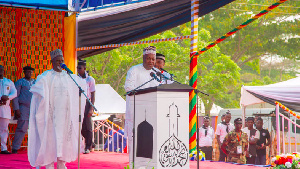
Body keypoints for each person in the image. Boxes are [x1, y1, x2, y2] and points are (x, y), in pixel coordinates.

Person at [28, 49, 87, 168]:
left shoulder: (69, 77)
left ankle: (61, 164)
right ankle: (49, 164)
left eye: (62, 60)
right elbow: (36, 88)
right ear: (52, 62)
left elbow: (81, 84)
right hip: (51, 117)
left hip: (65, 117)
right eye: (58, 61)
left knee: (64, 140)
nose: (60, 63)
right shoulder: (46, 76)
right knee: (50, 139)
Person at [124, 46, 160, 166]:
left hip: (151, 112)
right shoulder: (134, 70)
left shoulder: (156, 73)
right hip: (136, 111)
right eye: (148, 58)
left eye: (153, 59)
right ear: (143, 58)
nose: (151, 61)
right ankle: (135, 165)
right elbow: (129, 88)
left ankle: (150, 165)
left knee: (151, 139)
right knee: (136, 140)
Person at [11, 66, 35, 154]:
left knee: (35, 128)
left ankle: (34, 149)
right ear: (24, 72)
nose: (29, 73)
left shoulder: (35, 82)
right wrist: (16, 109)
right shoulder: (19, 82)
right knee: (22, 128)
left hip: (34, 108)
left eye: (31, 72)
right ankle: (15, 148)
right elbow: (15, 96)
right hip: (23, 107)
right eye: (27, 72)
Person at [77, 59, 96, 154]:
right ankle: (91, 142)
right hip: (78, 102)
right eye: (77, 68)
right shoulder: (76, 79)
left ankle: (88, 146)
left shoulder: (90, 79)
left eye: (79, 68)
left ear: (84, 68)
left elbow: (93, 94)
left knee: (88, 126)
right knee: (80, 126)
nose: (78, 70)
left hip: (87, 102)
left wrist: (91, 108)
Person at [0, 65, 17, 154]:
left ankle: (3, 148)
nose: (0, 71)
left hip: (5, 109)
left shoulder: (8, 82)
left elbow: (15, 93)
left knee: (4, 129)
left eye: (2, 70)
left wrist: (7, 97)